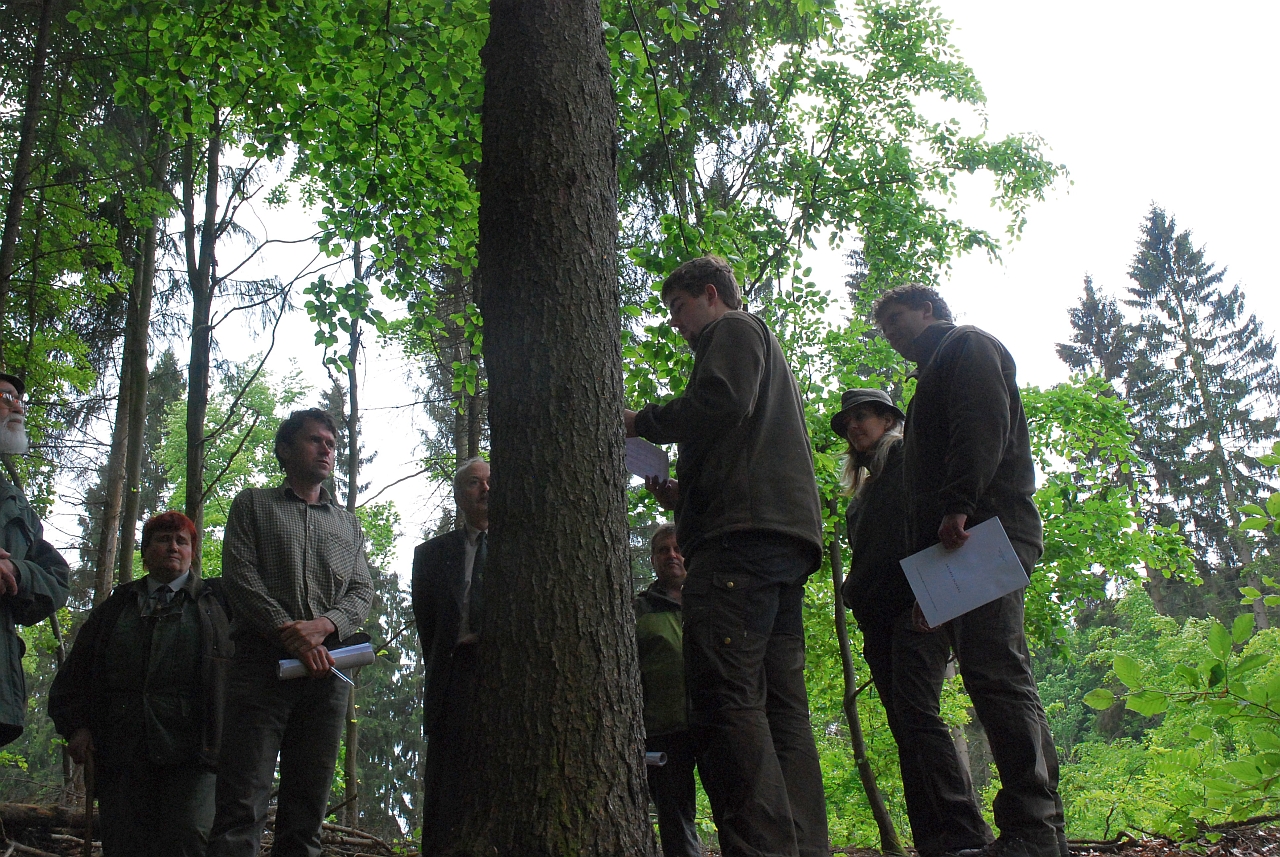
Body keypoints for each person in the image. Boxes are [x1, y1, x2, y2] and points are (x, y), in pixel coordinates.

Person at [624, 255, 828, 857]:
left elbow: (720, 402)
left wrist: (642, 422)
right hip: (775, 540)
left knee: (726, 698)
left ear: (710, 294)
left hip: (738, 546)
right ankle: (802, 846)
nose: (676, 322)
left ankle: (762, 848)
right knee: (781, 705)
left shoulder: (733, 329)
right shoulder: (759, 346)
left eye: (678, 307)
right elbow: (737, 437)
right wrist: (684, 496)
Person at [874, 284, 1067, 857]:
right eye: (883, 326)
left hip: (985, 532)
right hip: (958, 547)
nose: (890, 331)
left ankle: (1034, 830)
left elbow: (982, 425)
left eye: (897, 317)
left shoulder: (967, 346)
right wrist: (926, 585)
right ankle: (1041, 829)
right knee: (994, 676)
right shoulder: (930, 378)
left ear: (929, 310)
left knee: (998, 675)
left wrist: (960, 504)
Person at [832, 388, 991, 857]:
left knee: (919, 715)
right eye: (848, 422)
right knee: (905, 726)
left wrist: (935, 593)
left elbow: (928, 528)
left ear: (887, 420)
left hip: (917, 609)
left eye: (863, 416)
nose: (854, 427)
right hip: (877, 618)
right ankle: (933, 841)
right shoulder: (864, 490)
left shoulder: (907, 459)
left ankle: (966, 833)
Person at [208, 408, 374, 857]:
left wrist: (325, 626)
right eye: (315, 440)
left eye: (332, 444)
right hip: (259, 669)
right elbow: (240, 577)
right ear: (285, 449)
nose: (326, 449)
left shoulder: (347, 523)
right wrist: (287, 631)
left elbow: (362, 590)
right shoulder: (252, 505)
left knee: (306, 813)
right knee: (241, 803)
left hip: (326, 674)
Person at [49, 512, 233, 857]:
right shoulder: (116, 607)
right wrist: (77, 727)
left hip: (196, 752)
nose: (173, 547)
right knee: (125, 841)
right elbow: (75, 676)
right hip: (122, 750)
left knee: (189, 835)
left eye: (182, 541)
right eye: (163, 540)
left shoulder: (218, 604)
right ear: (145, 552)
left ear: (193, 552)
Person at [411, 456, 490, 854]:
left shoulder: (526, 550)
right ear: (459, 496)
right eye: (475, 482)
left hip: (507, 679)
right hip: (452, 682)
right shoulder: (431, 555)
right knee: (446, 790)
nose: (486, 489)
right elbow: (429, 628)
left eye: (491, 481)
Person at [0, 372, 70, 748]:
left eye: (19, 399)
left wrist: (17, 571)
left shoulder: (15, 504)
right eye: (6, 397)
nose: (18, 407)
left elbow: (56, 579)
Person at [634, 523, 702, 857]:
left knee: (736, 804)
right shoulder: (638, 609)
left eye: (678, 549)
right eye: (663, 550)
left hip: (716, 721)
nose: (671, 556)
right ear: (653, 559)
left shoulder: (710, 599)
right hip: (662, 729)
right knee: (675, 816)